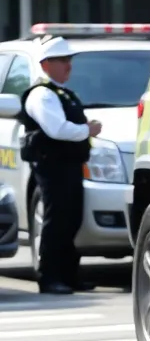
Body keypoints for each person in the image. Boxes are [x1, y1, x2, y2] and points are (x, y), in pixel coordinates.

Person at [17, 35, 101, 294]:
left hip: (69, 166)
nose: (69, 66)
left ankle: (68, 275)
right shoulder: (42, 94)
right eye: (62, 60)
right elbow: (57, 129)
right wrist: (86, 130)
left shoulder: (63, 93)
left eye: (69, 60)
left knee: (70, 220)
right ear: (45, 64)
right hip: (52, 168)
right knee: (56, 222)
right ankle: (50, 278)